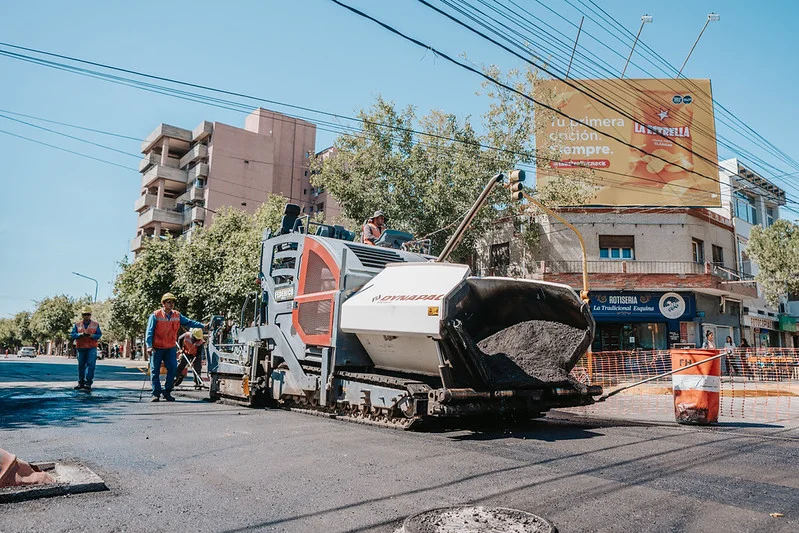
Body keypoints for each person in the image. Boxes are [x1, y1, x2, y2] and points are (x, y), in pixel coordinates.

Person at [145, 292, 205, 402]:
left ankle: (167, 391)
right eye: (169, 302)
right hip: (157, 348)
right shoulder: (155, 315)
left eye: (173, 302)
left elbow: (189, 322)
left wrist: (203, 326)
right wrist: (149, 346)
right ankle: (156, 394)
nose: (171, 304)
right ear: (163, 303)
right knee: (155, 371)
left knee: (173, 369)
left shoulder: (177, 315)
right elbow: (149, 332)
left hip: (170, 348)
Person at [69, 306, 102, 392]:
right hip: (81, 348)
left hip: (91, 348)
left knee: (91, 365)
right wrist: (80, 335)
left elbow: (99, 335)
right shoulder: (77, 325)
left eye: (88, 314)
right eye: (85, 314)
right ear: (82, 315)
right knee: (81, 366)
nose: (86, 316)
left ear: (90, 315)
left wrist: (92, 336)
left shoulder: (95, 324)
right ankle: (81, 383)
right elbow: (72, 334)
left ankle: (88, 383)